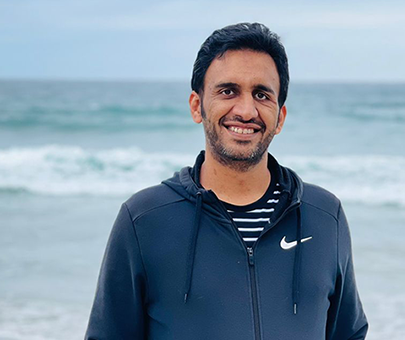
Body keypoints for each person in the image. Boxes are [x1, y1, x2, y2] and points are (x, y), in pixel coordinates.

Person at [85, 22, 368, 339]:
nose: (246, 110)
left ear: (280, 117)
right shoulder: (144, 219)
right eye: (228, 91)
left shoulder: (324, 216)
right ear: (197, 106)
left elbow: (349, 333)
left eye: (261, 94)